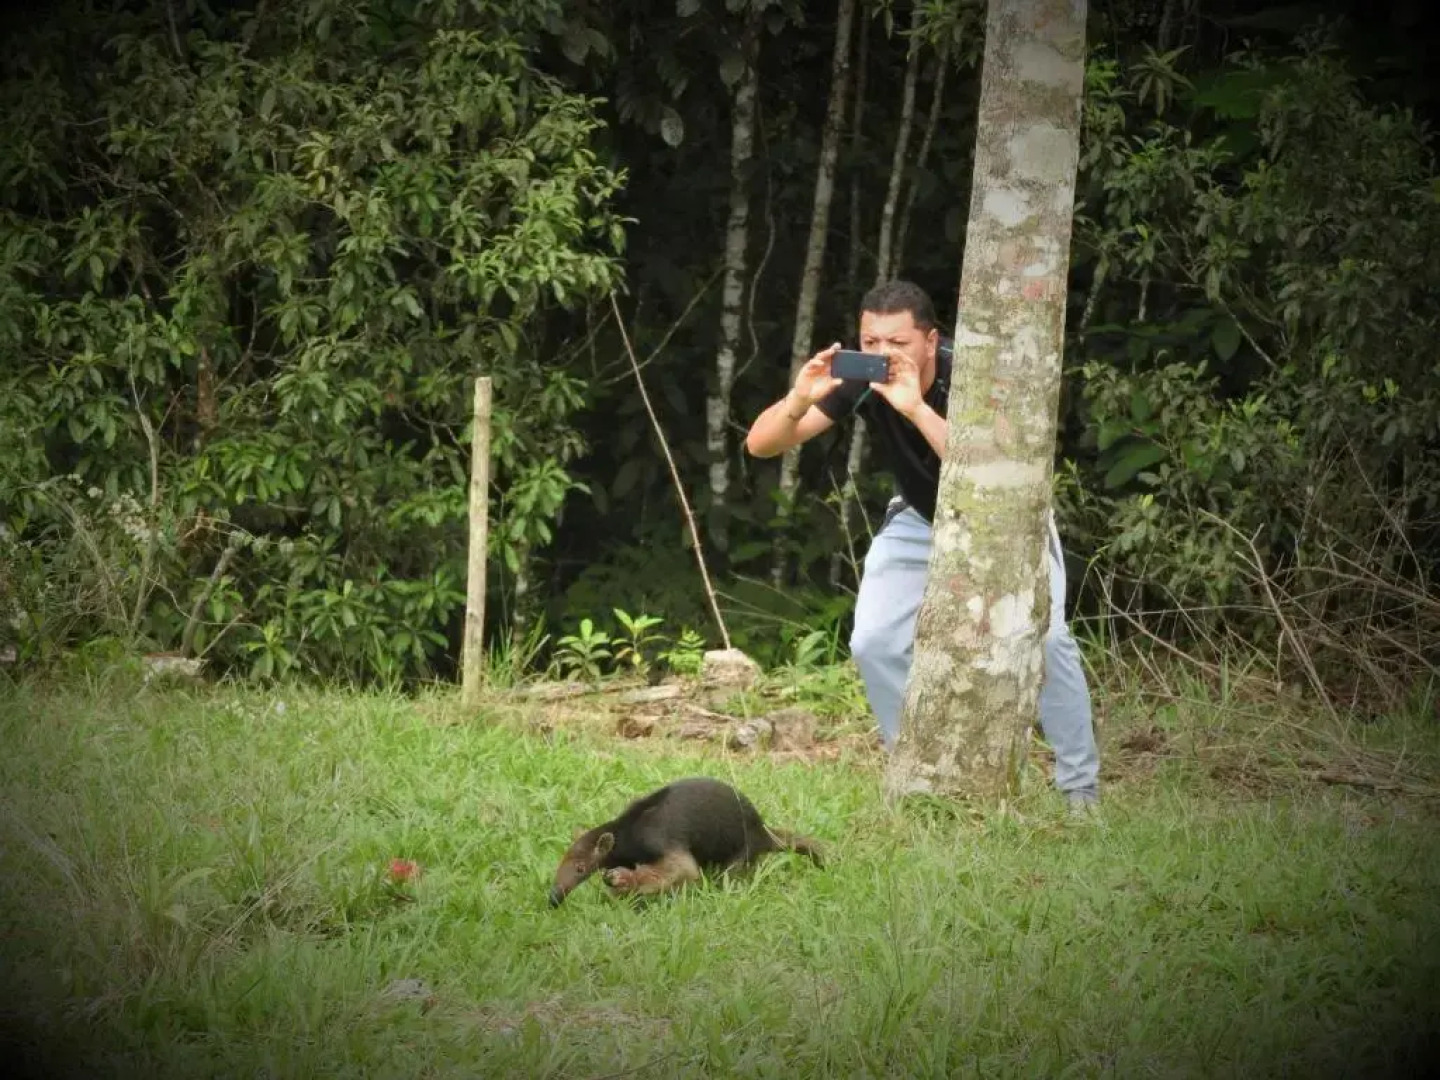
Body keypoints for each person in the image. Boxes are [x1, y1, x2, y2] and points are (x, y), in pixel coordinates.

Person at [744, 280, 1100, 810]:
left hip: (1004, 515)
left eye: (898, 343)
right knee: (874, 644)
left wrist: (914, 408)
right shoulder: (862, 379)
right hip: (919, 516)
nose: (883, 355)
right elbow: (760, 444)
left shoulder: (972, 374)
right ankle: (916, 780)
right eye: (871, 341)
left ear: (931, 342)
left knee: (1046, 638)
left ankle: (1081, 793)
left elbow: (987, 474)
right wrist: (799, 399)